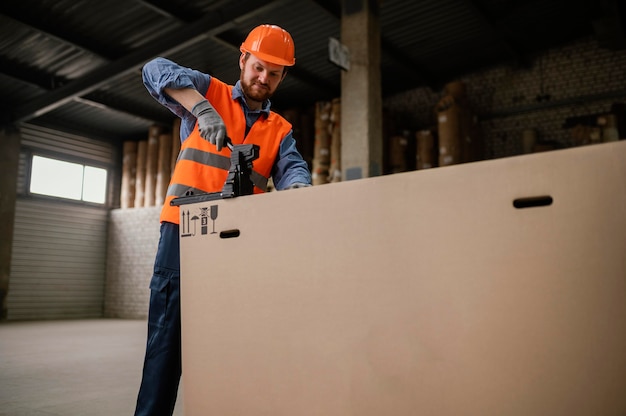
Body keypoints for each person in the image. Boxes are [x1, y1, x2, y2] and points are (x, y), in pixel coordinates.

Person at [135, 24, 311, 416]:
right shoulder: (207, 90)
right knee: (165, 347)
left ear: (283, 77)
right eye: (259, 67)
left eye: (274, 73)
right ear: (243, 59)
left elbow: (294, 171)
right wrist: (200, 109)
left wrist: (300, 192)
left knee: (232, 350)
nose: (263, 78)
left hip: (239, 247)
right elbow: (153, 69)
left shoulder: (279, 130)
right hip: (183, 237)